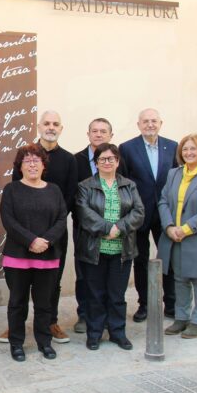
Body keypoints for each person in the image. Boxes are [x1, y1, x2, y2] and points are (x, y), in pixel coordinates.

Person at [0, 110, 76, 345]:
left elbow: (70, 197)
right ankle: (15, 329)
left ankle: (50, 324)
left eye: (55, 124)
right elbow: (13, 201)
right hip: (23, 238)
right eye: (47, 123)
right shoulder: (25, 156)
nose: (51, 127)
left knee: (51, 285)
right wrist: (29, 238)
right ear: (39, 126)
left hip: (53, 236)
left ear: (61, 128)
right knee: (18, 294)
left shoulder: (69, 160)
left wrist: (49, 236)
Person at [0, 144, 67, 361]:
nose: (31, 164)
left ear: (43, 165)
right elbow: (8, 220)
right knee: (17, 302)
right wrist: (31, 240)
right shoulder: (11, 190)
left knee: (44, 303)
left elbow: (61, 219)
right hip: (18, 257)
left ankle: (44, 342)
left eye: (36, 160)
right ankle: (17, 343)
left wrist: (45, 241)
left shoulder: (54, 190)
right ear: (19, 166)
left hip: (47, 256)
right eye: (26, 161)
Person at [75, 143, 144, 351]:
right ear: (96, 163)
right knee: (95, 295)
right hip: (95, 249)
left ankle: (118, 332)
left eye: (111, 159)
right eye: (102, 159)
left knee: (117, 295)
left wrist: (119, 228)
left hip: (122, 250)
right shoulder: (85, 186)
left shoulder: (128, 185)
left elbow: (139, 211)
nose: (107, 162)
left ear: (117, 161)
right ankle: (94, 334)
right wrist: (107, 228)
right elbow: (83, 212)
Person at [157, 134, 197, 339]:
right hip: (174, 236)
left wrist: (185, 229)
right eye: (185, 149)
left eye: (193, 149)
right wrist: (169, 227)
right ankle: (181, 318)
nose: (189, 153)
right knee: (180, 279)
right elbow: (163, 202)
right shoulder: (174, 174)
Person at [119, 108, 177, 322]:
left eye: (154, 121)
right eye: (145, 121)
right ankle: (144, 304)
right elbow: (123, 183)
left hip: (165, 213)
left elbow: (177, 179)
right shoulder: (127, 148)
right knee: (140, 260)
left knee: (168, 258)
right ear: (139, 124)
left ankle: (171, 303)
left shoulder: (172, 147)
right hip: (138, 214)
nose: (150, 124)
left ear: (161, 123)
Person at [72, 118, 128, 334]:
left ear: (110, 135)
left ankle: (109, 319)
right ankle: (85, 315)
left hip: (117, 233)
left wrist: (118, 226)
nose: (98, 135)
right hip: (85, 230)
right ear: (88, 134)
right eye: (94, 131)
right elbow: (73, 195)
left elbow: (129, 196)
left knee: (112, 281)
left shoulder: (118, 160)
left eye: (103, 131)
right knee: (85, 276)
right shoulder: (75, 160)